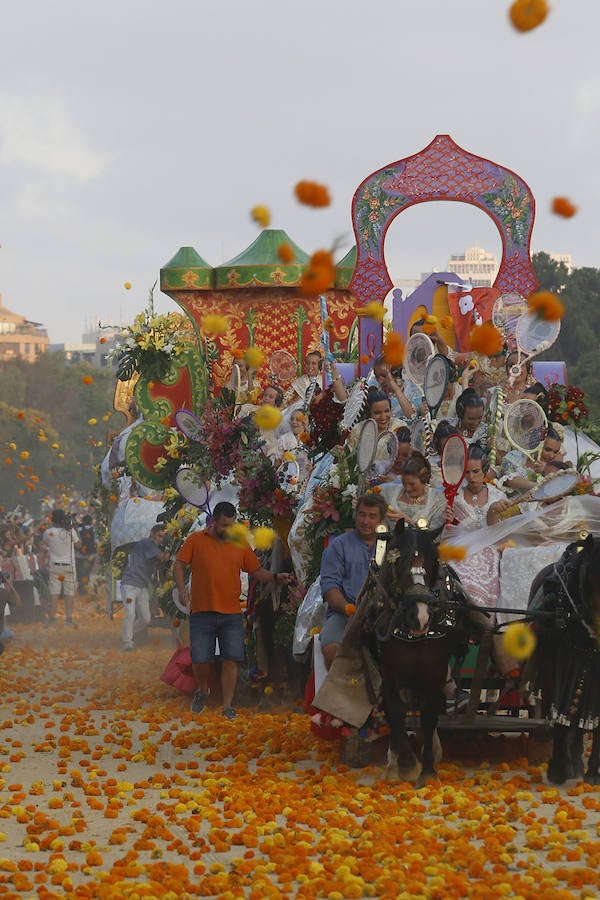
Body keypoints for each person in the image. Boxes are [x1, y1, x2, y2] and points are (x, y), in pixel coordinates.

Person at [173, 501, 293, 719]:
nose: (227, 530)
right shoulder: (196, 540)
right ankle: (202, 690)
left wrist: (276, 577)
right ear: (213, 522)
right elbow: (179, 564)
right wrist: (182, 589)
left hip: (231, 613)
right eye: (223, 526)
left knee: (231, 659)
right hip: (201, 611)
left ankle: (227, 706)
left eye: (231, 526)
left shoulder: (239, 544)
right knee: (201, 659)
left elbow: (256, 571)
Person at [319, 492, 388, 670]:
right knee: (331, 649)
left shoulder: (391, 545)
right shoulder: (339, 545)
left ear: (382, 520)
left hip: (386, 616)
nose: (365, 521)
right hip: (345, 613)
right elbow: (330, 587)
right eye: (362, 514)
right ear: (355, 515)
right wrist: (350, 610)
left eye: (372, 516)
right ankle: (342, 695)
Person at [120, 524, 168, 651]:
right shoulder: (147, 543)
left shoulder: (153, 548)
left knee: (146, 619)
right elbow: (163, 558)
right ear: (152, 534)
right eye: (159, 536)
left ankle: (127, 634)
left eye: (163, 537)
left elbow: (159, 566)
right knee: (130, 614)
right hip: (129, 584)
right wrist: (174, 551)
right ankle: (127, 642)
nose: (161, 539)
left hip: (142, 586)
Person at [380, 452, 448, 531]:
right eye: (404, 483)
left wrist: (406, 520)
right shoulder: (388, 492)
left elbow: (433, 535)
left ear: (424, 478)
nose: (407, 488)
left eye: (412, 484)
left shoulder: (438, 499)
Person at [43, 509, 80, 624]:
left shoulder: (48, 532)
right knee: (69, 593)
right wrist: (74, 528)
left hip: (55, 566)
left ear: (53, 519)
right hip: (69, 566)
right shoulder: (70, 531)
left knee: (54, 593)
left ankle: (52, 618)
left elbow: (45, 544)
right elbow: (79, 545)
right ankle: (68, 619)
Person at [76, 514, 97, 596]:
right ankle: (83, 588)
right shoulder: (95, 530)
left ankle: (81, 587)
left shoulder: (79, 529)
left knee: (80, 572)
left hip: (79, 555)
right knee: (87, 572)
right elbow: (97, 542)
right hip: (90, 556)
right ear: (91, 521)